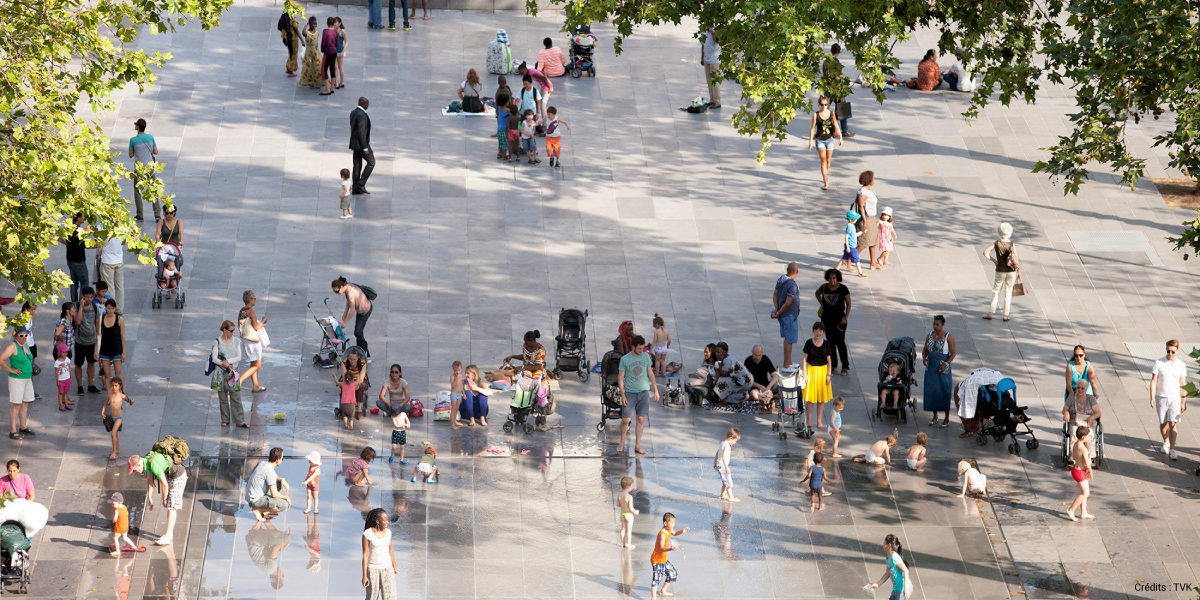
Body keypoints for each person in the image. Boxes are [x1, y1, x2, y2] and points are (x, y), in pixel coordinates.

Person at [128, 448, 187, 544]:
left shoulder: (153, 464)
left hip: (178, 476)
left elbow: (164, 485)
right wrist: (150, 497)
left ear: (138, 464)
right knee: (170, 506)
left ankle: (168, 537)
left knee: (171, 507)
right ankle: (169, 534)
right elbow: (149, 479)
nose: (136, 472)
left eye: (134, 470)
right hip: (171, 475)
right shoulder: (147, 460)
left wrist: (164, 499)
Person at [617, 335, 657, 455]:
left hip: (644, 392)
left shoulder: (645, 357)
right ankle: (622, 442)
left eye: (642, 348)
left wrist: (655, 389)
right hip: (630, 393)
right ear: (633, 347)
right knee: (625, 420)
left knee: (640, 419)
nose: (641, 351)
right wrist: (622, 394)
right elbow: (620, 377)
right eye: (639, 348)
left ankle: (637, 445)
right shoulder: (625, 359)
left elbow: (650, 373)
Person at [1149, 340, 1187, 460]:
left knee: (1173, 422)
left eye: (1173, 352)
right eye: (1168, 351)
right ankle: (1166, 442)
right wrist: (1152, 396)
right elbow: (1154, 380)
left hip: (1175, 398)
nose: (1170, 354)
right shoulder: (1159, 362)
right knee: (1163, 422)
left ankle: (1173, 449)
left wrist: (1183, 401)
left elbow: (1183, 384)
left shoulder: (1181, 365)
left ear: (1177, 351)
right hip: (1161, 396)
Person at [210, 320, 246, 428]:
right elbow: (214, 358)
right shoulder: (217, 342)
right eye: (230, 330)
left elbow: (239, 357)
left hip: (233, 373)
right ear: (224, 330)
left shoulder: (236, 341)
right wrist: (224, 364)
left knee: (236, 397)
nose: (232, 332)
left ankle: (240, 420)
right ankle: (225, 419)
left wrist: (228, 362)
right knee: (223, 398)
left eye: (233, 330)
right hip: (220, 373)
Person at [815, 269, 851, 375]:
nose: (832, 280)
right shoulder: (824, 287)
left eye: (834, 278)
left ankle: (845, 366)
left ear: (838, 278)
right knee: (830, 342)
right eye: (830, 278)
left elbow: (849, 304)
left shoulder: (843, 289)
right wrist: (822, 303)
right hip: (826, 319)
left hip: (840, 320)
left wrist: (845, 318)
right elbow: (817, 293)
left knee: (840, 342)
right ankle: (833, 364)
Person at [2, 327, 36, 440]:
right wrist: (11, 370)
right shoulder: (13, 346)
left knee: (25, 403)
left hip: (27, 378)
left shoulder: (24, 345)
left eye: (26, 335)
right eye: (21, 335)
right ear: (16, 336)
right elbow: (1, 359)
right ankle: (13, 430)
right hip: (17, 380)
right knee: (16, 405)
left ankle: (23, 426)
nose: (24, 337)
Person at [922, 315, 956, 427]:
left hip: (942, 368)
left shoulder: (948, 337)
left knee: (944, 390)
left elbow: (953, 354)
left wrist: (945, 364)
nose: (935, 326)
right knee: (932, 390)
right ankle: (935, 416)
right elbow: (925, 350)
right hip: (931, 367)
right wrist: (924, 358)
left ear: (942, 324)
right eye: (934, 324)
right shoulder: (930, 335)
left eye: (937, 324)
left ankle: (946, 418)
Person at [983, 222, 1019, 321]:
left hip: (1000, 271)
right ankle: (1005, 315)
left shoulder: (996, 243)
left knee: (996, 292)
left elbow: (985, 252)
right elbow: (1016, 258)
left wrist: (994, 261)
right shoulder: (1011, 244)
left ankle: (990, 313)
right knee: (1008, 293)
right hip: (1011, 271)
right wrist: (1018, 271)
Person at [332, 277, 374, 358]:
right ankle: (360, 351)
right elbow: (348, 302)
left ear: (341, 287)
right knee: (358, 332)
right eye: (335, 292)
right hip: (361, 310)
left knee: (358, 332)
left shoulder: (350, 292)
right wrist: (345, 313)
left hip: (365, 310)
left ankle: (366, 354)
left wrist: (345, 322)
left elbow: (353, 310)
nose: (337, 293)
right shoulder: (347, 286)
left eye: (337, 291)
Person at [650, 513, 689, 600]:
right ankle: (653, 598)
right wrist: (670, 549)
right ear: (665, 523)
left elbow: (675, 533)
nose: (673, 525)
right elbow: (661, 548)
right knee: (657, 578)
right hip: (656, 559)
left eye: (674, 523)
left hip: (663, 559)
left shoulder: (669, 530)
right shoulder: (662, 534)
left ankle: (663, 591)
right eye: (672, 523)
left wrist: (682, 531)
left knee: (672, 574)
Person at [807, 96, 843, 190]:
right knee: (823, 162)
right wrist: (810, 142)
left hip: (830, 139)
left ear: (828, 104)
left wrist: (840, 137)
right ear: (819, 104)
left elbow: (835, 124)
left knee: (828, 160)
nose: (824, 106)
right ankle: (825, 181)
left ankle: (825, 176)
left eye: (825, 104)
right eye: (822, 104)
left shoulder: (831, 114)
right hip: (820, 140)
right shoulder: (816, 115)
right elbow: (812, 128)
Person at [362, 508, 397, 600]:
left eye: (387, 520)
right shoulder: (367, 534)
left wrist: (394, 565)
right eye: (384, 520)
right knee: (372, 596)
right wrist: (364, 575)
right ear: (378, 521)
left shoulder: (388, 532)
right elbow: (365, 555)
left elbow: (390, 550)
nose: (387, 522)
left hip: (387, 568)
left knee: (390, 596)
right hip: (373, 569)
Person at [802, 322, 832, 431]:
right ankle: (809, 420)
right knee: (810, 399)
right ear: (813, 331)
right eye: (816, 331)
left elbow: (829, 360)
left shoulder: (826, 344)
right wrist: (804, 374)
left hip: (823, 372)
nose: (818, 333)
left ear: (823, 332)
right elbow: (805, 359)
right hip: (811, 371)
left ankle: (819, 421)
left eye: (820, 331)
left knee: (821, 399)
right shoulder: (809, 343)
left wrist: (828, 375)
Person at [246, 447, 290, 521]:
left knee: (278, 484)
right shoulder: (270, 471)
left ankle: (264, 510)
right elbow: (274, 494)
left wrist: (282, 480)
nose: (282, 461)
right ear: (277, 460)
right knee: (284, 505)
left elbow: (273, 476)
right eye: (282, 459)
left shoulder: (264, 464)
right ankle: (258, 509)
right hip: (255, 500)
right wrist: (286, 497)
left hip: (251, 495)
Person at [128, 118, 159, 221]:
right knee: (153, 190)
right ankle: (157, 214)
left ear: (137, 127)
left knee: (137, 191)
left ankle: (140, 214)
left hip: (140, 169)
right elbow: (156, 152)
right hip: (150, 167)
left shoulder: (133, 140)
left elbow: (130, 155)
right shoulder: (150, 137)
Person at [771, 262, 801, 367]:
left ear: (787, 270)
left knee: (786, 338)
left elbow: (775, 294)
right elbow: (788, 304)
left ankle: (787, 361)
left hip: (782, 315)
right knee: (789, 340)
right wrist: (778, 312)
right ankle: (787, 363)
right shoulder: (792, 285)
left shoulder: (781, 279)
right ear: (797, 272)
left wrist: (776, 308)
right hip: (789, 316)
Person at [237, 290, 268, 393]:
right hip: (253, 342)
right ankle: (239, 381)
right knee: (257, 365)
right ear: (250, 300)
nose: (255, 300)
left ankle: (256, 385)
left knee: (253, 363)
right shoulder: (251, 311)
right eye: (254, 298)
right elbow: (256, 327)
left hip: (245, 340)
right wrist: (263, 321)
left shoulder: (242, 310)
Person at [1064, 382, 1101, 465]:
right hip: (1075, 421)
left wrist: (1091, 418)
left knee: (1090, 434)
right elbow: (1064, 409)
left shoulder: (1091, 399)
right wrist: (1066, 412)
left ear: (1086, 389)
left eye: (1082, 388)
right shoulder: (1071, 397)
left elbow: (1098, 413)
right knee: (1074, 433)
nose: (1080, 390)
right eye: (1078, 388)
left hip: (1088, 422)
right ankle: (1073, 455)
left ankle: (1089, 455)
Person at [822, 43, 854, 137]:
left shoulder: (826, 61)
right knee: (842, 109)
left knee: (824, 110)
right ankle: (844, 131)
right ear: (838, 52)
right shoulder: (836, 62)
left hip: (827, 88)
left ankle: (823, 131)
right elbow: (837, 77)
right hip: (836, 90)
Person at [868, 534, 912, 600]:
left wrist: (905, 589)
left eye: (884, 542)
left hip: (902, 590)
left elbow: (905, 570)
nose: (883, 543)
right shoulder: (888, 558)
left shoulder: (894, 557)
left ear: (889, 545)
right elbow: (887, 574)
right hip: (896, 589)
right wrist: (877, 584)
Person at [74, 287, 101, 394]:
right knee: (78, 364)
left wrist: (98, 338)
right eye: (87, 297)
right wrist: (81, 307)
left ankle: (91, 384)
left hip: (91, 341)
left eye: (91, 297)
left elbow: (98, 323)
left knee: (91, 363)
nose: (89, 299)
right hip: (80, 341)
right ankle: (80, 386)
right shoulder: (76, 307)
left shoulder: (94, 307)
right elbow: (78, 321)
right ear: (83, 297)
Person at [1066, 426, 1095, 521]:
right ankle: (1071, 509)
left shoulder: (1075, 444)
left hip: (1075, 470)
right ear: (1083, 437)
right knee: (1086, 493)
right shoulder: (1083, 448)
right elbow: (1087, 463)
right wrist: (1090, 470)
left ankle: (1083, 512)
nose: (1089, 438)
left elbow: (1074, 457)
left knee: (1083, 492)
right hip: (1080, 472)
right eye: (1088, 436)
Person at [102, 376, 134, 460]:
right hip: (111, 417)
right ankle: (117, 449)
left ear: (120, 386)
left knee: (113, 433)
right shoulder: (110, 395)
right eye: (112, 386)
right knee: (115, 434)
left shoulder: (122, 396)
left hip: (119, 418)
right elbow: (105, 404)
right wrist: (102, 412)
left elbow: (129, 400)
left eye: (116, 386)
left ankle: (114, 451)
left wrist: (132, 401)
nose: (114, 388)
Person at [95, 299, 125, 391]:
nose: (111, 311)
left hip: (116, 350)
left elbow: (122, 336)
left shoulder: (119, 319)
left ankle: (120, 392)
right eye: (109, 308)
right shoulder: (101, 319)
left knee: (118, 373)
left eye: (112, 308)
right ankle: (109, 395)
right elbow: (99, 335)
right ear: (106, 309)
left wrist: (123, 352)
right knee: (107, 374)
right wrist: (96, 350)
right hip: (105, 350)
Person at [855, 170, 881, 270]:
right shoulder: (863, 192)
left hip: (871, 218)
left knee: (873, 241)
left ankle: (873, 263)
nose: (874, 180)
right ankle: (848, 259)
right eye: (873, 178)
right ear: (869, 180)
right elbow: (861, 207)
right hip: (866, 219)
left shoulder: (869, 190)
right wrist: (865, 221)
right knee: (864, 242)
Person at [64, 213, 89, 303]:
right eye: (83, 216)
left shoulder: (69, 228)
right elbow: (85, 245)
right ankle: (82, 303)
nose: (84, 217)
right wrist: (97, 245)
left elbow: (67, 242)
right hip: (79, 260)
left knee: (74, 284)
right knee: (84, 282)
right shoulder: (79, 230)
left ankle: (74, 303)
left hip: (70, 259)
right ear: (78, 218)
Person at [349, 96, 373, 190]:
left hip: (355, 144)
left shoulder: (353, 112)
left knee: (357, 164)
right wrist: (365, 148)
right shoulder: (362, 115)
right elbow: (361, 132)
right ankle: (360, 184)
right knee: (371, 162)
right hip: (361, 144)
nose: (368, 106)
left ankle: (355, 187)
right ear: (364, 104)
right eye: (368, 104)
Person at [98, 237, 125, 313]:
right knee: (119, 286)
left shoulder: (102, 226)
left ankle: (111, 308)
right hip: (119, 260)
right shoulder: (123, 226)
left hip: (107, 260)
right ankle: (119, 309)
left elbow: (99, 245)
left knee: (109, 287)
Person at [340, 348, 369, 419]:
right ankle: (345, 408)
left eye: (354, 359)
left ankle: (359, 410)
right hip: (348, 381)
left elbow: (361, 379)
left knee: (360, 387)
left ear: (358, 358)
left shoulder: (362, 363)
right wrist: (350, 385)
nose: (352, 361)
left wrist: (355, 385)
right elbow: (344, 378)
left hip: (360, 381)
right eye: (350, 359)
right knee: (344, 387)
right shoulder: (344, 363)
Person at [713, 427, 741, 503]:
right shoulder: (727, 445)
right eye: (735, 441)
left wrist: (715, 462)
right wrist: (726, 467)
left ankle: (722, 494)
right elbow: (723, 456)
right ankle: (731, 497)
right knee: (728, 481)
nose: (735, 443)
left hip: (719, 464)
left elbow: (717, 453)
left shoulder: (722, 443)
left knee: (724, 481)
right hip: (722, 466)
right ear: (731, 438)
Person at [837, 210, 866, 277]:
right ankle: (860, 272)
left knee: (844, 258)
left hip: (852, 245)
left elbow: (854, 235)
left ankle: (836, 270)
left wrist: (862, 232)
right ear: (850, 219)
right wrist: (847, 247)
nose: (856, 220)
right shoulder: (849, 227)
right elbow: (846, 237)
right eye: (854, 219)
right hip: (851, 246)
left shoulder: (852, 226)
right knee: (857, 259)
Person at [700, 28, 721, 109]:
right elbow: (702, 45)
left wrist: (712, 31)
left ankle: (717, 101)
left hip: (714, 59)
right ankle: (712, 99)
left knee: (715, 80)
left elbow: (718, 41)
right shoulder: (703, 31)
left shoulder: (716, 29)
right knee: (709, 80)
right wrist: (702, 58)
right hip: (706, 58)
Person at [299, 17, 323, 88]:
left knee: (317, 66)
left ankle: (318, 81)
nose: (315, 25)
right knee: (310, 67)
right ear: (309, 24)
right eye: (313, 24)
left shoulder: (317, 32)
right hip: (309, 53)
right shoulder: (307, 32)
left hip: (316, 52)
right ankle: (311, 81)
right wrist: (305, 26)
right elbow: (303, 33)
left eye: (316, 23)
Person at [616, 476, 639, 548]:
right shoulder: (629, 497)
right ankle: (628, 544)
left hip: (622, 514)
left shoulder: (619, 495)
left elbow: (618, 504)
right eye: (632, 486)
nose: (632, 487)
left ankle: (622, 543)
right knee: (629, 530)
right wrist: (635, 512)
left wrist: (622, 504)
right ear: (628, 486)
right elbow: (630, 508)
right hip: (629, 515)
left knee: (623, 529)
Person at [319, 18, 339, 96]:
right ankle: (332, 88)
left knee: (324, 70)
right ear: (333, 23)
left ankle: (327, 89)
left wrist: (322, 50)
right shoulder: (335, 32)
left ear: (327, 23)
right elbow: (337, 43)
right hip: (334, 52)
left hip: (327, 52)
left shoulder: (325, 31)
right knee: (332, 69)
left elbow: (323, 42)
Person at [279, 10, 302, 77]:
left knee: (290, 52)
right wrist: (302, 40)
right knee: (293, 54)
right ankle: (291, 71)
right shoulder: (293, 19)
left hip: (287, 38)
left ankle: (288, 68)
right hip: (293, 38)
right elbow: (296, 30)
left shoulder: (286, 17)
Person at [53, 342, 72, 411]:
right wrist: (57, 381)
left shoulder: (67, 359)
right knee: (60, 393)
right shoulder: (57, 362)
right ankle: (61, 405)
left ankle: (66, 404)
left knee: (66, 392)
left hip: (67, 378)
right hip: (61, 380)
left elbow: (69, 368)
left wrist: (71, 377)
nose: (65, 354)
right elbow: (56, 372)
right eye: (63, 352)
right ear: (60, 352)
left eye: (66, 352)